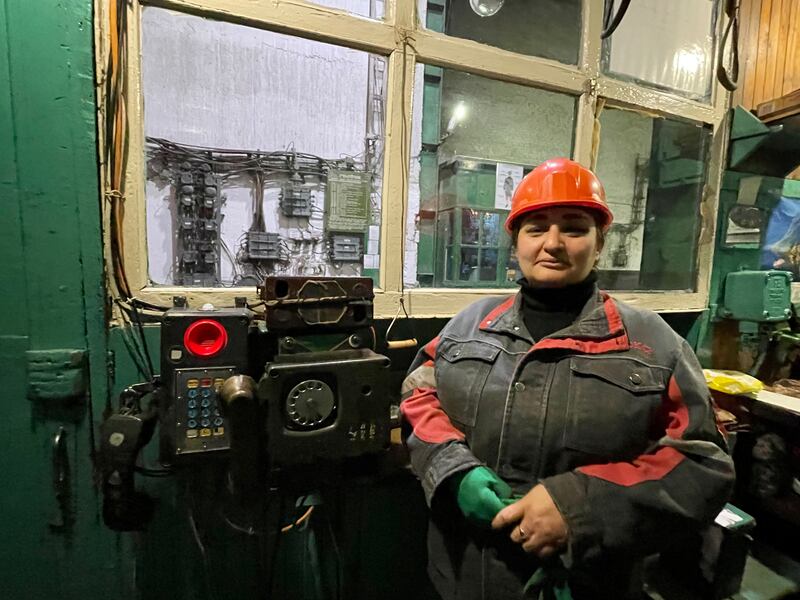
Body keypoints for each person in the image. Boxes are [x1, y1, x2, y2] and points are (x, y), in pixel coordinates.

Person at [400, 157, 735, 600]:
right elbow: (417, 394)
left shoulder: (656, 345)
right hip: (465, 580)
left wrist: (580, 508)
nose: (552, 243)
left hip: (591, 583)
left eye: (574, 228)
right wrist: (452, 470)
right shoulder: (467, 326)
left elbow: (702, 464)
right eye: (536, 228)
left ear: (599, 243)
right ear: (516, 242)